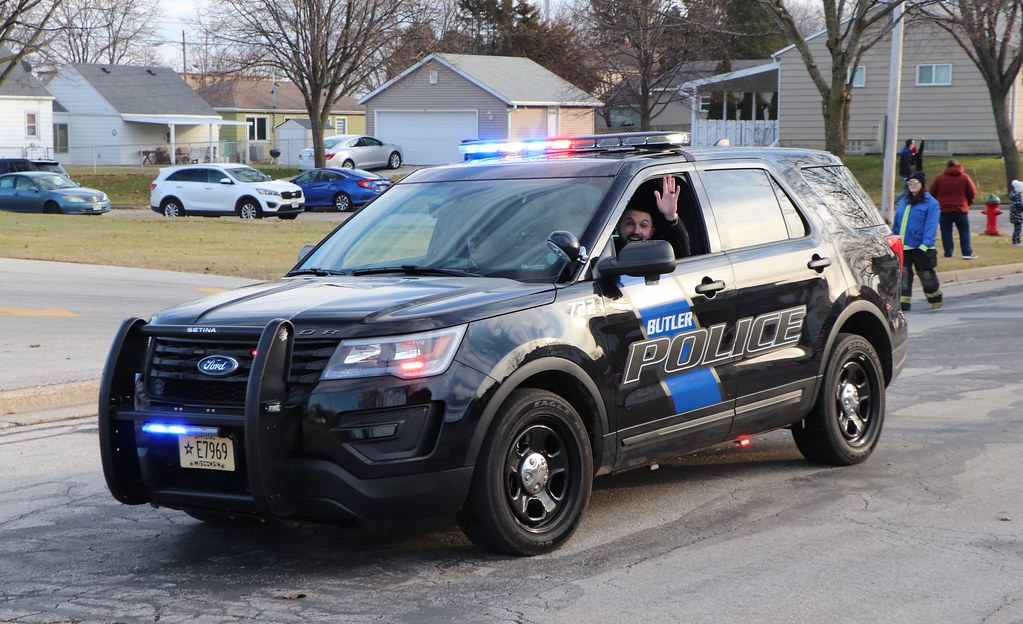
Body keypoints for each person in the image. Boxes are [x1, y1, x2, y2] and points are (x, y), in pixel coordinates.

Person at [893, 171, 942, 311]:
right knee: (903, 276)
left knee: (926, 274)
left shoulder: (931, 203)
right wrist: (892, 238)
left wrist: (925, 244)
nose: (913, 185)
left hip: (920, 246)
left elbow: (931, 225)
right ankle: (903, 304)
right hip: (904, 246)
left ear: (922, 185)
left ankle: (935, 299)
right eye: (910, 183)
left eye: (916, 183)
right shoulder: (904, 202)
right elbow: (897, 223)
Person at [616, 175, 691, 258]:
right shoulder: (603, 251)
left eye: (643, 225)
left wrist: (671, 217)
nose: (636, 231)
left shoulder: (659, 256)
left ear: (651, 232)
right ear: (618, 226)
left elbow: (683, 252)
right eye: (630, 223)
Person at [929, 159, 977, 259]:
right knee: (964, 231)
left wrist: (938, 203)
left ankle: (948, 253)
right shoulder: (965, 177)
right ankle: (967, 253)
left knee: (946, 231)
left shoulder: (939, 178)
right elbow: (972, 192)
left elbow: (932, 192)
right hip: (961, 209)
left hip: (944, 209)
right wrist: (968, 203)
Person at [1010, 179, 1023, 247]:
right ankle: (1016, 241)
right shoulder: (1017, 197)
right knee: (1018, 229)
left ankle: (1016, 240)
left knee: (1017, 228)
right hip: (1017, 215)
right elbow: (1020, 206)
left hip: (1014, 215)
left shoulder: (1014, 195)